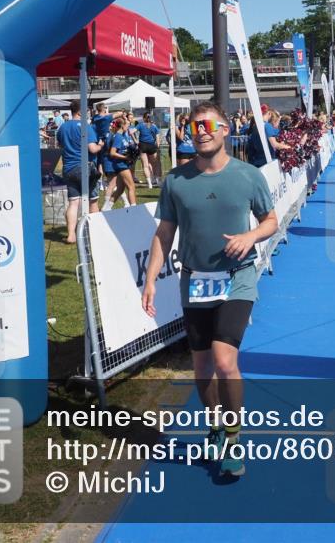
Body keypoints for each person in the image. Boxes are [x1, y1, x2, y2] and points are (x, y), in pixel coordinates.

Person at [141, 101, 278, 478]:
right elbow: (164, 233)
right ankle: (216, 425)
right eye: (194, 126)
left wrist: (250, 236)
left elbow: (270, 220)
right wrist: (151, 278)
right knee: (201, 367)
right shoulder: (175, 181)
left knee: (224, 361)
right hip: (195, 281)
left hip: (238, 278)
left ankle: (232, 439)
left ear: (224, 129)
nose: (200, 131)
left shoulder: (248, 176)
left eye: (207, 125)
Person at [56, 101, 105, 243]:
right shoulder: (86, 127)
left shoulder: (62, 128)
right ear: (80, 112)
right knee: (93, 200)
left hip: (69, 168)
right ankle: (95, 232)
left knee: (73, 203)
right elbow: (93, 149)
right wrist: (101, 144)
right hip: (85, 167)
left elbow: (60, 144)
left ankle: (71, 235)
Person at [106, 116, 137, 208]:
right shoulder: (118, 137)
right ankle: (134, 209)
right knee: (131, 187)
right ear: (122, 126)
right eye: (127, 125)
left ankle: (106, 208)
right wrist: (125, 157)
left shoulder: (123, 135)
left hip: (123, 163)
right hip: (121, 164)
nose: (128, 127)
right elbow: (112, 153)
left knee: (120, 189)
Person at [136, 112, 161, 188]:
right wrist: (158, 146)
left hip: (143, 145)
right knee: (155, 164)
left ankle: (149, 183)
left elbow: (131, 131)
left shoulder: (140, 125)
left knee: (145, 165)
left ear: (144, 118)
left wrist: (136, 141)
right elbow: (157, 137)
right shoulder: (154, 126)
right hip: (152, 146)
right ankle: (157, 181)